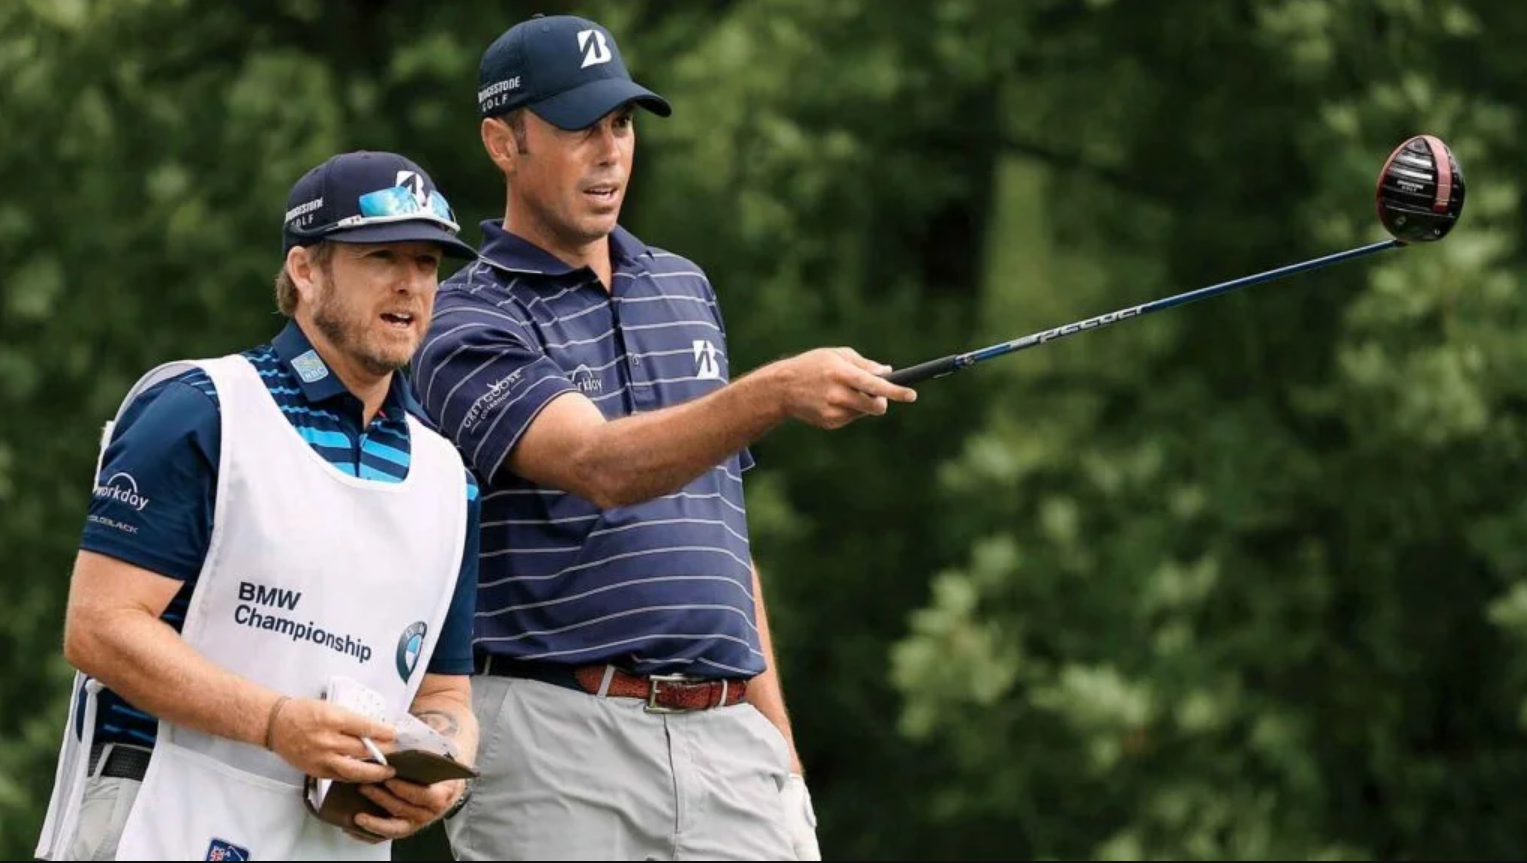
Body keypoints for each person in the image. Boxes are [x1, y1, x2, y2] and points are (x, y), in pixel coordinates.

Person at [408, 13, 918, 862]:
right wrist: (776, 392)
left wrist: (781, 751)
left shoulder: (682, 286)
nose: (609, 152)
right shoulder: (464, 317)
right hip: (555, 740)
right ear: (502, 142)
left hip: (729, 743)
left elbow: (721, 540)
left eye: (621, 124)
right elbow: (597, 464)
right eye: (578, 127)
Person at [33, 150, 486, 862]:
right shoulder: (202, 408)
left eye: (427, 263)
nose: (411, 283)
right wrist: (276, 722)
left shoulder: (449, 478)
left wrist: (443, 775)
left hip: (335, 840)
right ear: (305, 271)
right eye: (382, 256)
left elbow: (445, 692)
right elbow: (100, 628)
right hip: (161, 809)